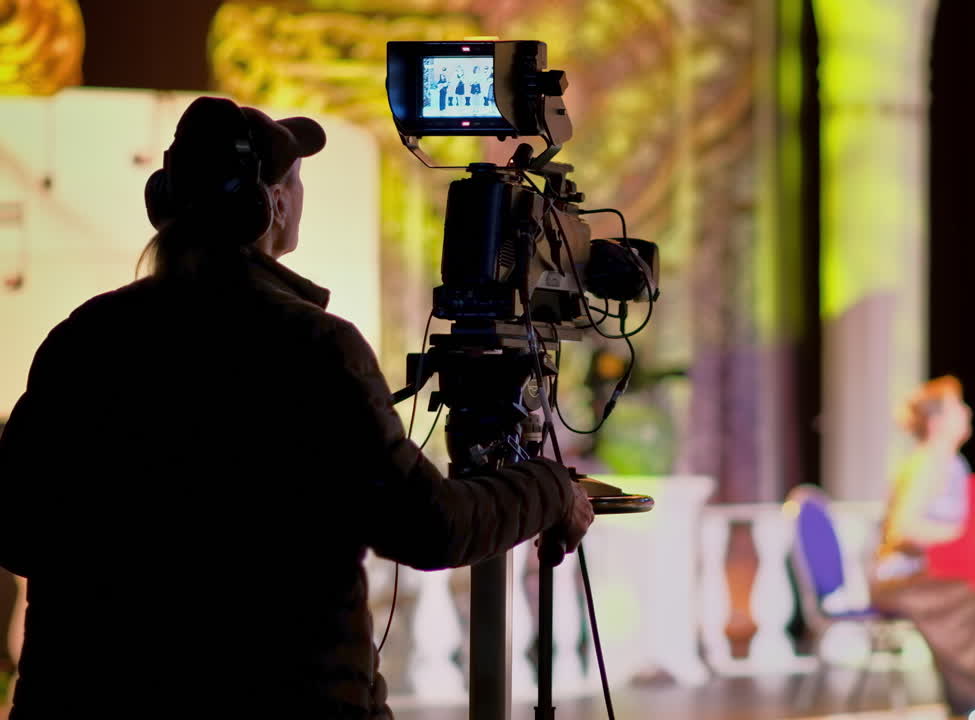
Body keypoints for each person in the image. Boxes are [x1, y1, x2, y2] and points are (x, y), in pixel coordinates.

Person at [0, 96, 592, 719]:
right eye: (296, 181)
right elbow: (430, 526)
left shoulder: (82, 340)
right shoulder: (314, 347)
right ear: (273, 204)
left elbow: (14, 529)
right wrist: (550, 488)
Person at [869, 376, 975, 717]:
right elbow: (905, 528)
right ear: (936, 423)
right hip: (901, 579)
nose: (967, 412)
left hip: (923, 573)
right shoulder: (930, 462)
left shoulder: (949, 462)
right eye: (957, 407)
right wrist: (960, 538)